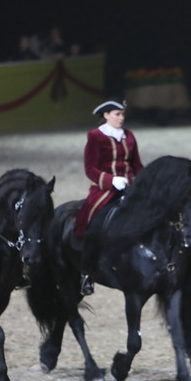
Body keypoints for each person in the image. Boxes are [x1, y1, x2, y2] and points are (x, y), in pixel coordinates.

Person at [73, 99, 144, 295]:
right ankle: (86, 272)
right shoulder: (95, 136)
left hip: (130, 187)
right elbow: (90, 169)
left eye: (122, 114)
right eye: (117, 114)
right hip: (105, 190)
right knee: (94, 223)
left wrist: (146, 181)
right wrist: (111, 180)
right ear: (106, 115)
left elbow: (137, 164)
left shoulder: (129, 136)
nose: (121, 118)